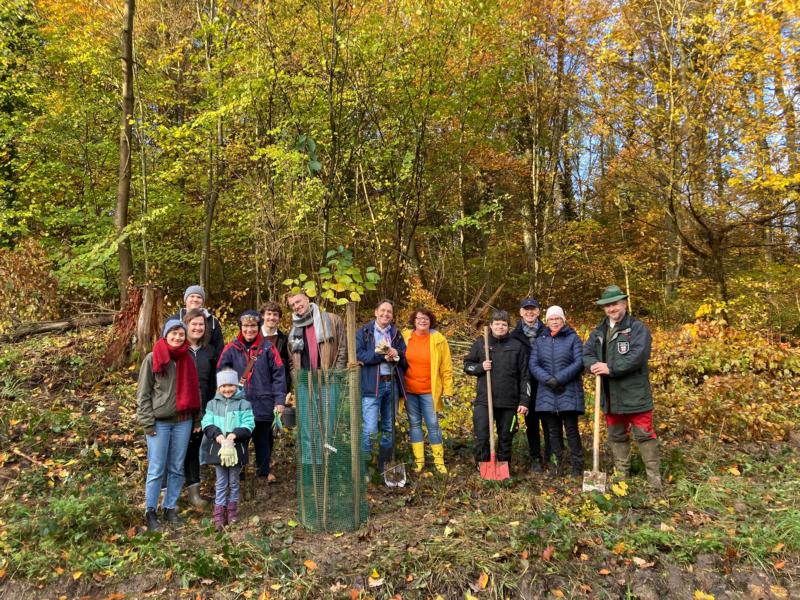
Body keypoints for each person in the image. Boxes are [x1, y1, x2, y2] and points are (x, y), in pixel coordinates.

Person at [583, 285, 661, 489]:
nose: (611, 309)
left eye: (614, 304)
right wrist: (593, 365)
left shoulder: (637, 328)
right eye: (607, 306)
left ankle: (654, 479)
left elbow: (638, 356)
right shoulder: (599, 331)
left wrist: (611, 368)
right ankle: (621, 477)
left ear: (624, 304)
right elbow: (587, 353)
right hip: (610, 396)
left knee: (644, 435)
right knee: (617, 436)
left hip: (635, 394)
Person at [136, 319, 201, 532]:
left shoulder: (187, 358)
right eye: (173, 333)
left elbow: (195, 391)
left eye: (181, 334)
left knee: (176, 466)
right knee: (156, 467)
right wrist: (147, 423)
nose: (177, 337)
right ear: (165, 335)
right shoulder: (153, 358)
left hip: (183, 420)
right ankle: (151, 510)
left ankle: (170, 507)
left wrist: (197, 419)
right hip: (159, 423)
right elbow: (143, 395)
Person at [218, 310, 286, 483]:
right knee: (239, 439)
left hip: (264, 402)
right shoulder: (231, 348)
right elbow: (221, 372)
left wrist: (279, 401)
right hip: (238, 405)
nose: (249, 330)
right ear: (241, 328)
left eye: (253, 326)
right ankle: (238, 474)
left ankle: (263, 473)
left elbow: (279, 376)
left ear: (258, 327)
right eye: (246, 326)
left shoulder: (268, 348)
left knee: (263, 441)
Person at [464, 310, 531, 470]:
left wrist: (524, 400)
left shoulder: (517, 346)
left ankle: (503, 467)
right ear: (491, 325)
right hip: (485, 400)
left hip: (509, 402)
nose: (500, 327)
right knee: (482, 435)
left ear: (508, 327)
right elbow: (467, 366)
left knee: (506, 437)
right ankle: (483, 465)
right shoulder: (481, 343)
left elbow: (525, 376)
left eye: (504, 324)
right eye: (497, 324)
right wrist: (481, 367)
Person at [528, 306, 585, 478]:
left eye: (557, 318)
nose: (554, 321)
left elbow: (579, 362)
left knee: (571, 430)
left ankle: (577, 467)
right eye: (551, 319)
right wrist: (548, 380)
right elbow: (533, 364)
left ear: (563, 320)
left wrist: (559, 379)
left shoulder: (573, 339)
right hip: (547, 393)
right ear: (546, 321)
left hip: (568, 390)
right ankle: (556, 466)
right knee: (552, 432)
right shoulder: (540, 340)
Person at [356, 299, 408, 475]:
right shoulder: (364, 332)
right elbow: (359, 355)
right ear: (375, 312)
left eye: (389, 312)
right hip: (372, 385)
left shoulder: (396, 334)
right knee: (370, 429)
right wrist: (382, 355)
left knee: (388, 427)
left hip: (391, 384)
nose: (386, 314)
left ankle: (383, 467)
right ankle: (364, 468)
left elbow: (405, 359)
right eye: (383, 311)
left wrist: (397, 354)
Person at [401, 307, 453, 474]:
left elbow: (446, 368)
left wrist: (448, 391)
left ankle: (439, 462)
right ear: (413, 321)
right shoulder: (405, 337)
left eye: (426, 319)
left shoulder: (438, 340)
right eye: (419, 318)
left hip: (429, 391)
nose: (422, 321)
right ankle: (419, 462)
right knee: (415, 424)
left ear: (430, 322)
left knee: (433, 425)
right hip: (409, 391)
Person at [201, 368, 255, 530]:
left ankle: (232, 512)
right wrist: (217, 434)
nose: (227, 389)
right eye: (223, 386)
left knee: (234, 481)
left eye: (230, 385)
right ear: (218, 388)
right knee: (221, 482)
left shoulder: (244, 404)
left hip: (236, 448)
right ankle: (219, 514)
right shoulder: (212, 404)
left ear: (236, 385)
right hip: (220, 448)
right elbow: (206, 422)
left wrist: (234, 434)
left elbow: (249, 423)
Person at [180, 308, 219, 508]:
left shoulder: (209, 352)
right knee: (177, 451)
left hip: (203, 408)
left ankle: (194, 494)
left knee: (194, 450)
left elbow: (213, 383)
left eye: (201, 325)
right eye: (193, 324)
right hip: (179, 411)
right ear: (185, 325)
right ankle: (171, 494)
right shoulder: (178, 349)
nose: (197, 328)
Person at [511, 297, 553, 473]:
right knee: (532, 423)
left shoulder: (548, 331)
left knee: (550, 423)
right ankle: (535, 457)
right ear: (520, 312)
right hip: (526, 385)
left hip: (547, 383)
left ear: (538, 312)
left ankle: (551, 457)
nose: (529, 312)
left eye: (533, 309)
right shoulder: (514, 335)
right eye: (526, 309)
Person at [286, 291, 347, 372]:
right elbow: (291, 358)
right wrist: (296, 376)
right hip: (304, 380)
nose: (296, 306)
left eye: (298, 301)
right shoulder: (294, 329)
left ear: (307, 299)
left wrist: (338, 373)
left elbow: (343, 348)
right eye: (292, 305)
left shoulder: (332, 320)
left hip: (330, 378)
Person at [168, 285, 225, 358]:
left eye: (199, 297)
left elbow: (219, 348)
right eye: (192, 296)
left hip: (205, 363)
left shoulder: (212, 321)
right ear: (185, 299)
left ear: (202, 301)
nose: (195, 299)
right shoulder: (173, 320)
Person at [261, 301, 292, 391]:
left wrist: (287, 389)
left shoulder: (284, 339)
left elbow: (287, 366)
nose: (272, 317)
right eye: (269, 314)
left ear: (279, 318)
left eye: (275, 314)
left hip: (277, 388)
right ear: (263, 316)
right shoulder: (252, 336)